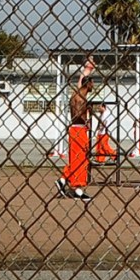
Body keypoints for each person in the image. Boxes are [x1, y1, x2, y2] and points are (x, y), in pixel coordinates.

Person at [59, 56, 97, 200]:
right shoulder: (82, 99)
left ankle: (64, 180)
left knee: (76, 158)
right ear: (88, 84)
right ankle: (77, 188)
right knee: (82, 159)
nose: (94, 86)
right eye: (93, 83)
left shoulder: (75, 94)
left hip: (74, 129)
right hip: (79, 129)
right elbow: (80, 114)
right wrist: (88, 118)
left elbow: (80, 81)